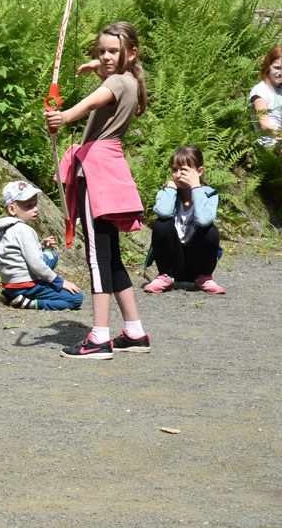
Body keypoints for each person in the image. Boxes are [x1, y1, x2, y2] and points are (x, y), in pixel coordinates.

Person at [44, 21, 150, 360]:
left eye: (113, 52)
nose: (105, 57)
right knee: (111, 254)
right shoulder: (128, 80)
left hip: (97, 172)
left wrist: (64, 117)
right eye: (101, 51)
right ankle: (134, 331)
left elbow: (92, 102)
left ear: (131, 53)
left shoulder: (116, 82)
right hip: (111, 168)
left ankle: (99, 337)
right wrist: (96, 65)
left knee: (97, 256)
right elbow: (107, 81)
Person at [0, 181, 84, 310]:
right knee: (76, 298)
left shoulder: (5, 228)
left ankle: (10, 295)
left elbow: (18, 253)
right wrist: (59, 282)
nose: (35, 209)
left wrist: (41, 246)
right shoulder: (24, 230)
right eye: (29, 206)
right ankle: (31, 303)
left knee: (51, 256)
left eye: (35, 204)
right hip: (26, 286)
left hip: (11, 284)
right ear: (12, 209)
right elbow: (36, 265)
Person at [144, 146, 224, 294]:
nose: (178, 175)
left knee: (210, 230)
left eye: (184, 170)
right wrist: (171, 189)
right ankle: (165, 276)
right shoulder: (167, 192)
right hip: (174, 262)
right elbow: (164, 212)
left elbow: (204, 220)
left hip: (197, 263)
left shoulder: (209, 194)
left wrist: (196, 187)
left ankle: (205, 278)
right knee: (160, 224)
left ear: (199, 171)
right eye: (175, 170)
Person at [248, 45, 282, 154]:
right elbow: (264, 124)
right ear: (268, 67)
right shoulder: (260, 91)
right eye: (277, 68)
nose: (280, 73)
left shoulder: (280, 88)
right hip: (269, 145)